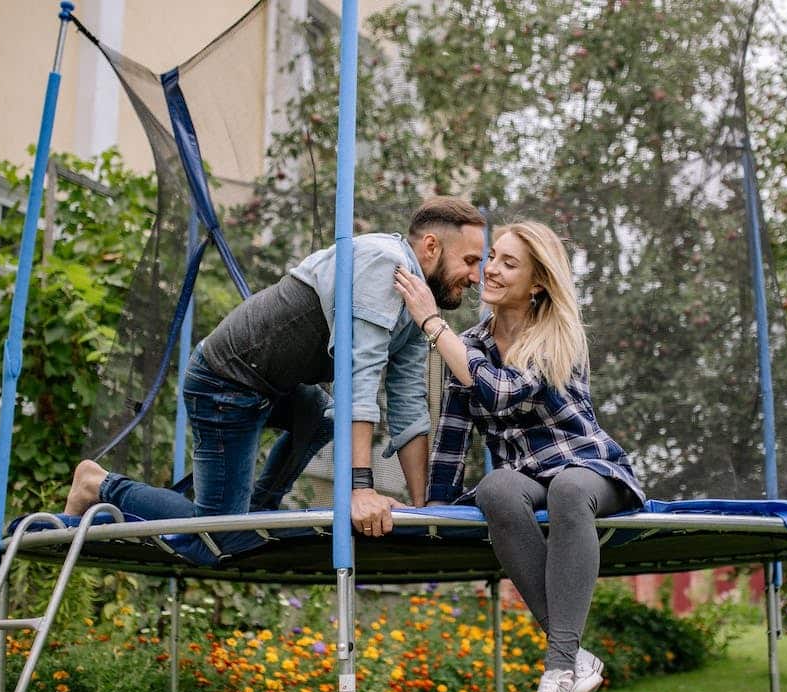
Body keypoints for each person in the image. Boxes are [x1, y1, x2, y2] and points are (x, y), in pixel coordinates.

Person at [64, 197, 487, 564]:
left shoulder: (416, 298)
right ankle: (99, 484)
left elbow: (408, 404)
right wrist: (360, 490)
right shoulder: (385, 264)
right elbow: (357, 383)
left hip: (276, 386)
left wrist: (425, 509)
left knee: (320, 418)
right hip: (225, 383)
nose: (475, 277)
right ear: (431, 246)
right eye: (470, 261)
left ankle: (257, 508)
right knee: (217, 536)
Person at [393, 220, 644, 692]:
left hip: (590, 469)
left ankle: (556, 675)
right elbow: (454, 430)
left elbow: (504, 392)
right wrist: (432, 507)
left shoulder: (557, 334)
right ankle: (576, 655)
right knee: (496, 488)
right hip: (527, 477)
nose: (491, 269)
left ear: (536, 282)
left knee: (568, 490)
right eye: (492, 258)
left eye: (509, 263)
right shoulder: (471, 343)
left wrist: (431, 323)